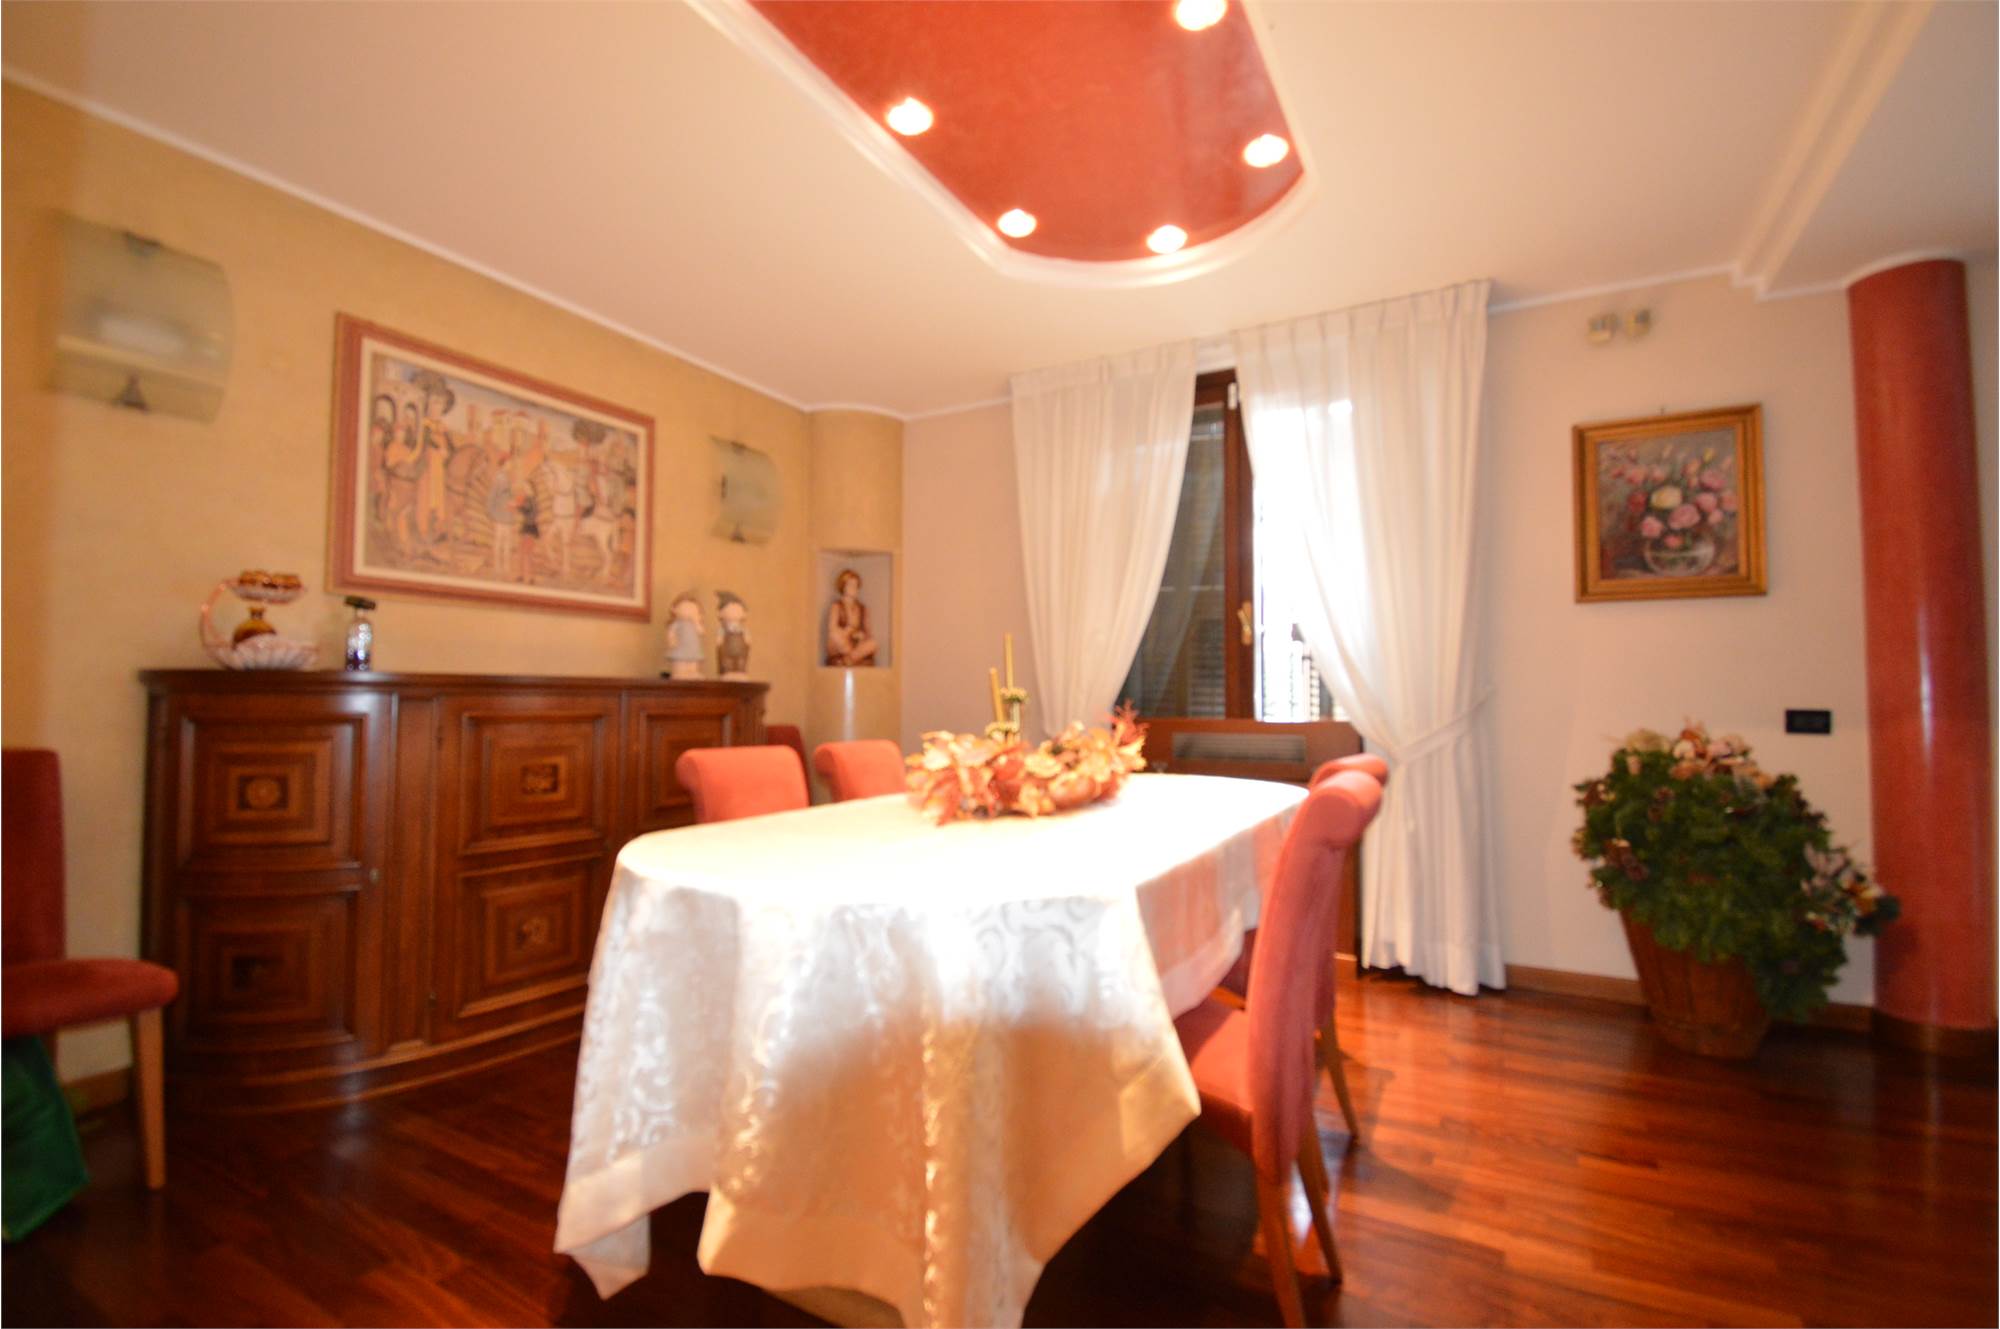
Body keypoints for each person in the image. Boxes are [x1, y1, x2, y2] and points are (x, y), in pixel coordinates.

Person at [825, 568, 878, 666]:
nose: (854, 588)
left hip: (857, 643)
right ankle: (853, 657)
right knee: (834, 636)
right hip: (842, 642)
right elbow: (832, 629)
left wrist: (861, 635)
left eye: (856, 585)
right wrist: (847, 632)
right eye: (851, 585)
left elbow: (868, 633)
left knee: (873, 643)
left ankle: (849, 659)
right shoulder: (836, 606)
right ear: (843, 586)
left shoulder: (863, 608)